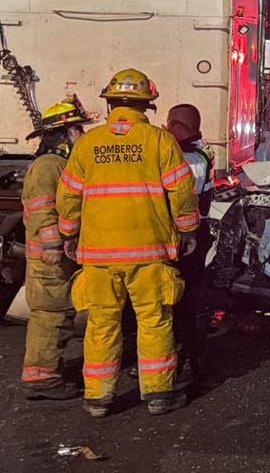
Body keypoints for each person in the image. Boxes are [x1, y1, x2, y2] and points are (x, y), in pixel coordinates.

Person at [58, 68, 198, 418]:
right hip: (149, 252)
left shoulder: (88, 144)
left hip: (99, 255)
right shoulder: (159, 141)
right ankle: (158, 395)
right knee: (154, 321)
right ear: (147, 105)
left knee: (102, 324)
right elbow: (182, 191)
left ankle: (98, 400)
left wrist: (69, 234)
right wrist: (187, 230)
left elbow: (68, 196)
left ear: (110, 103)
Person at [18, 97, 93, 400]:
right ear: (65, 133)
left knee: (58, 314)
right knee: (50, 314)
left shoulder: (59, 164)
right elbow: (43, 209)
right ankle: (42, 378)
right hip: (49, 257)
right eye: (78, 130)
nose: (82, 136)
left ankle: (49, 370)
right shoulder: (48, 166)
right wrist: (52, 245)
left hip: (58, 255)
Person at [165, 103, 215, 384]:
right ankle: (191, 354)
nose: (166, 130)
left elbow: (183, 199)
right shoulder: (197, 150)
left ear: (180, 127)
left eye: (170, 125)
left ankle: (190, 359)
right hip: (194, 232)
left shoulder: (191, 159)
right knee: (188, 297)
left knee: (185, 298)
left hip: (190, 236)